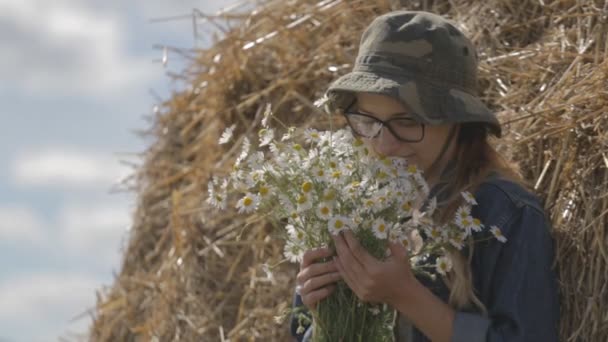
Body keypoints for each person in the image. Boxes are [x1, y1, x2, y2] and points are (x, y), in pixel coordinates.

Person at [290, 10, 560, 342]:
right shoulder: (348, 205)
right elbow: (301, 330)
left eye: (407, 122)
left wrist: (406, 296)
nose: (384, 144)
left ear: (457, 120)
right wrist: (320, 312)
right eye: (367, 120)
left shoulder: (503, 215)